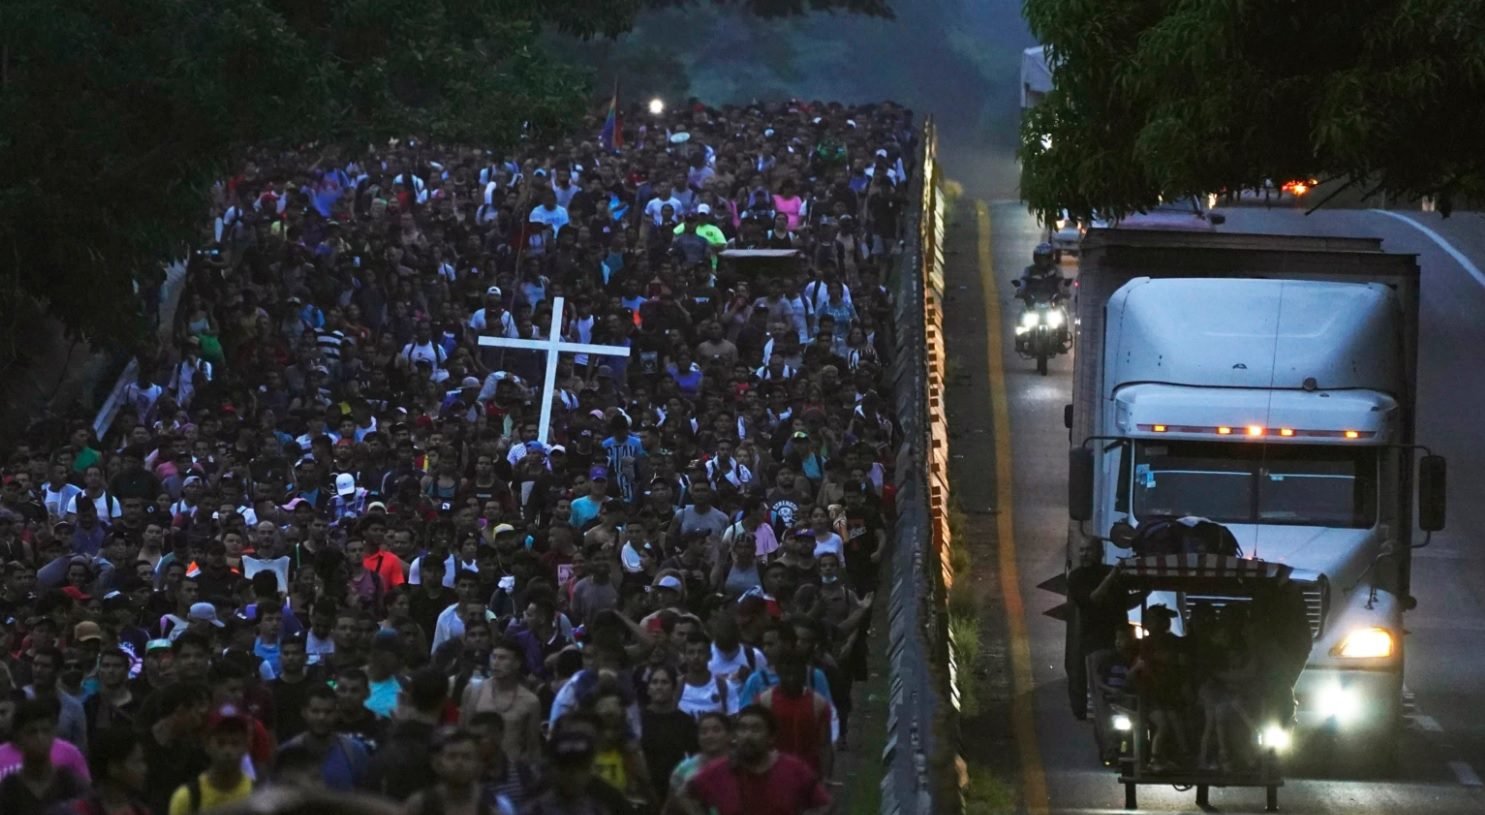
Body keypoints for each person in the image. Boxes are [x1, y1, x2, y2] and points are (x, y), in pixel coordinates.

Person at [679, 705, 831, 815]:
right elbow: (684, 794)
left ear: (771, 737)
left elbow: (825, 804)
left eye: (756, 729)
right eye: (742, 729)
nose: (747, 735)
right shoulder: (718, 771)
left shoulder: (793, 769)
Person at [0, 697, 90, 815]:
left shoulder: (72, 784)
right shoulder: (7, 790)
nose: (40, 738)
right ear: (18, 738)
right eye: (32, 732)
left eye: (46, 731)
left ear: (54, 734)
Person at [276, 685, 370, 791]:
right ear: (304, 712)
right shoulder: (287, 753)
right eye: (315, 711)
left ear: (337, 713)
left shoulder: (354, 752)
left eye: (328, 712)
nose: (321, 717)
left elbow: (365, 795)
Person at [167, 703, 255, 815]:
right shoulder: (187, 799)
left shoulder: (258, 796)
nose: (228, 751)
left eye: (235, 743)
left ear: (246, 747)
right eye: (221, 743)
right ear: (207, 745)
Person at [73, 725, 150, 815]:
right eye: (137, 762)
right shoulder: (80, 810)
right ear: (114, 768)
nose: (144, 769)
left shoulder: (140, 811)